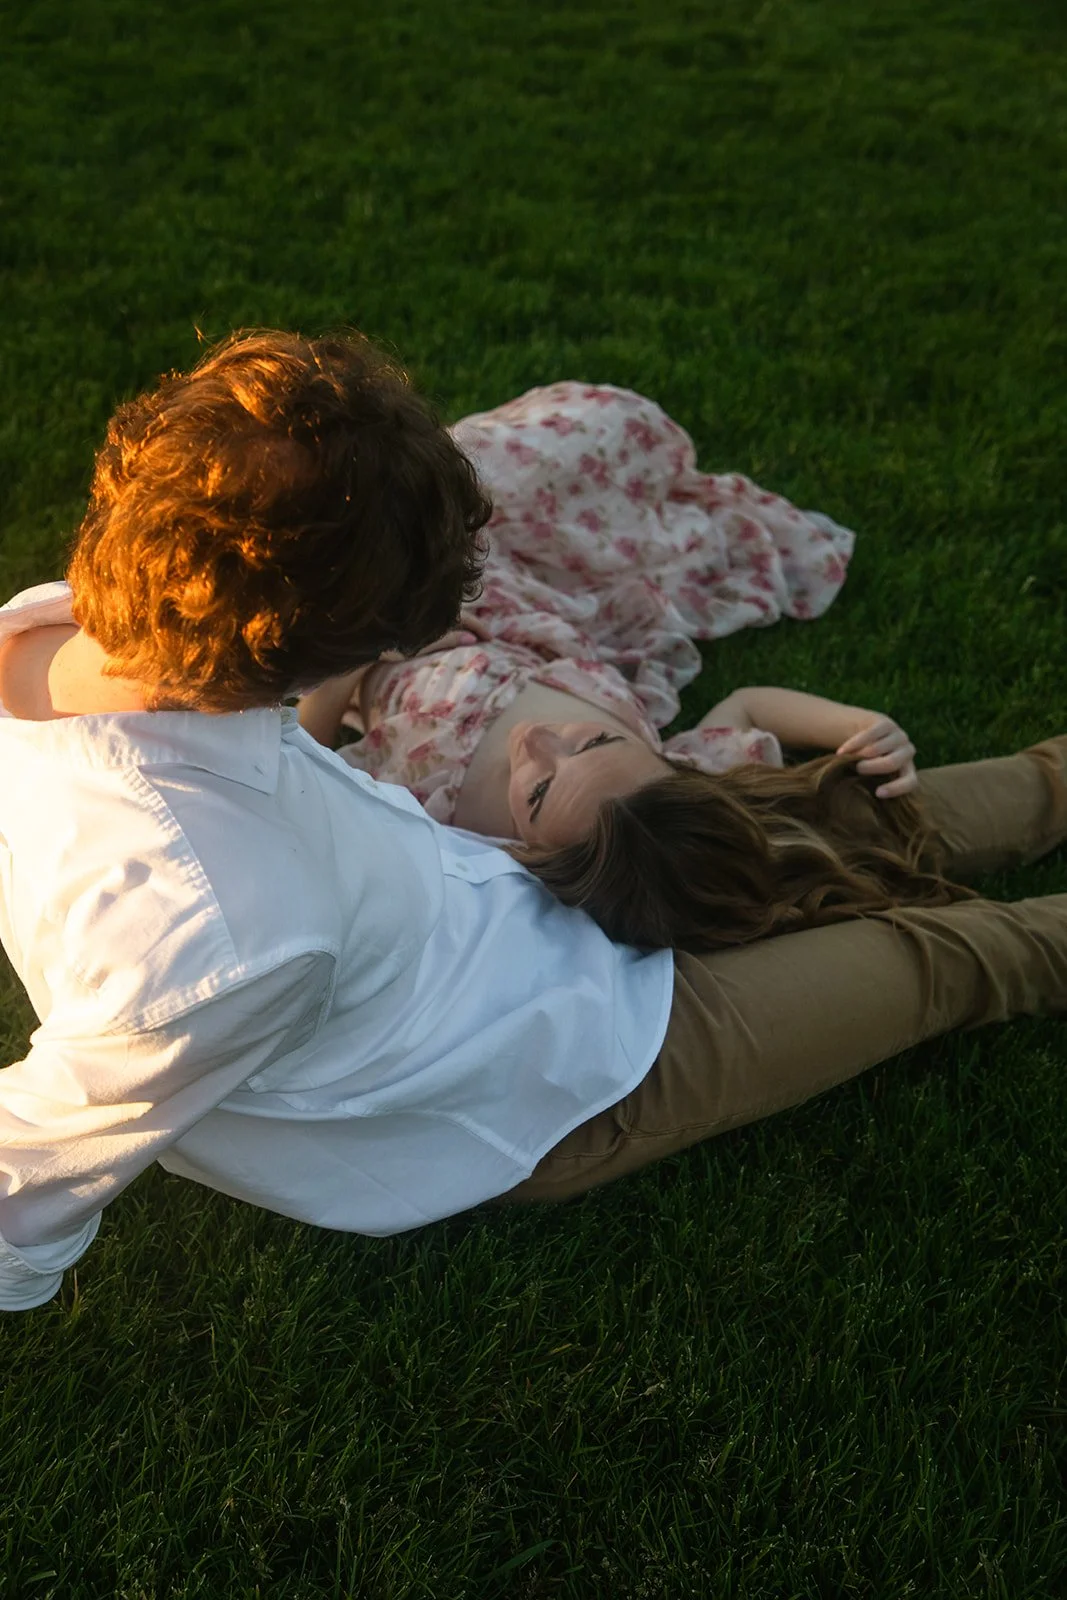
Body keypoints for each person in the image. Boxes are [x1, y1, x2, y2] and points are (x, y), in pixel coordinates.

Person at [0, 328, 1064, 1313]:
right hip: (565, 1072)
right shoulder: (209, 936)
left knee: (853, 812)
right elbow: (27, 1164)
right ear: (335, 657)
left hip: (532, 879)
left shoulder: (62, 640)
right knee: (933, 957)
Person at [293, 380, 940, 950]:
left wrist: (352, 665)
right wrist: (856, 725)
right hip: (515, 602)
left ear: (537, 857)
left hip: (384, 636)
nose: (535, 740)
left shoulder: (454, 838)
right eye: (595, 738)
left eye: (538, 792)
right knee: (604, 428)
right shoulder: (669, 786)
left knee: (363, 519)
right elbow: (747, 705)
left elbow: (305, 769)